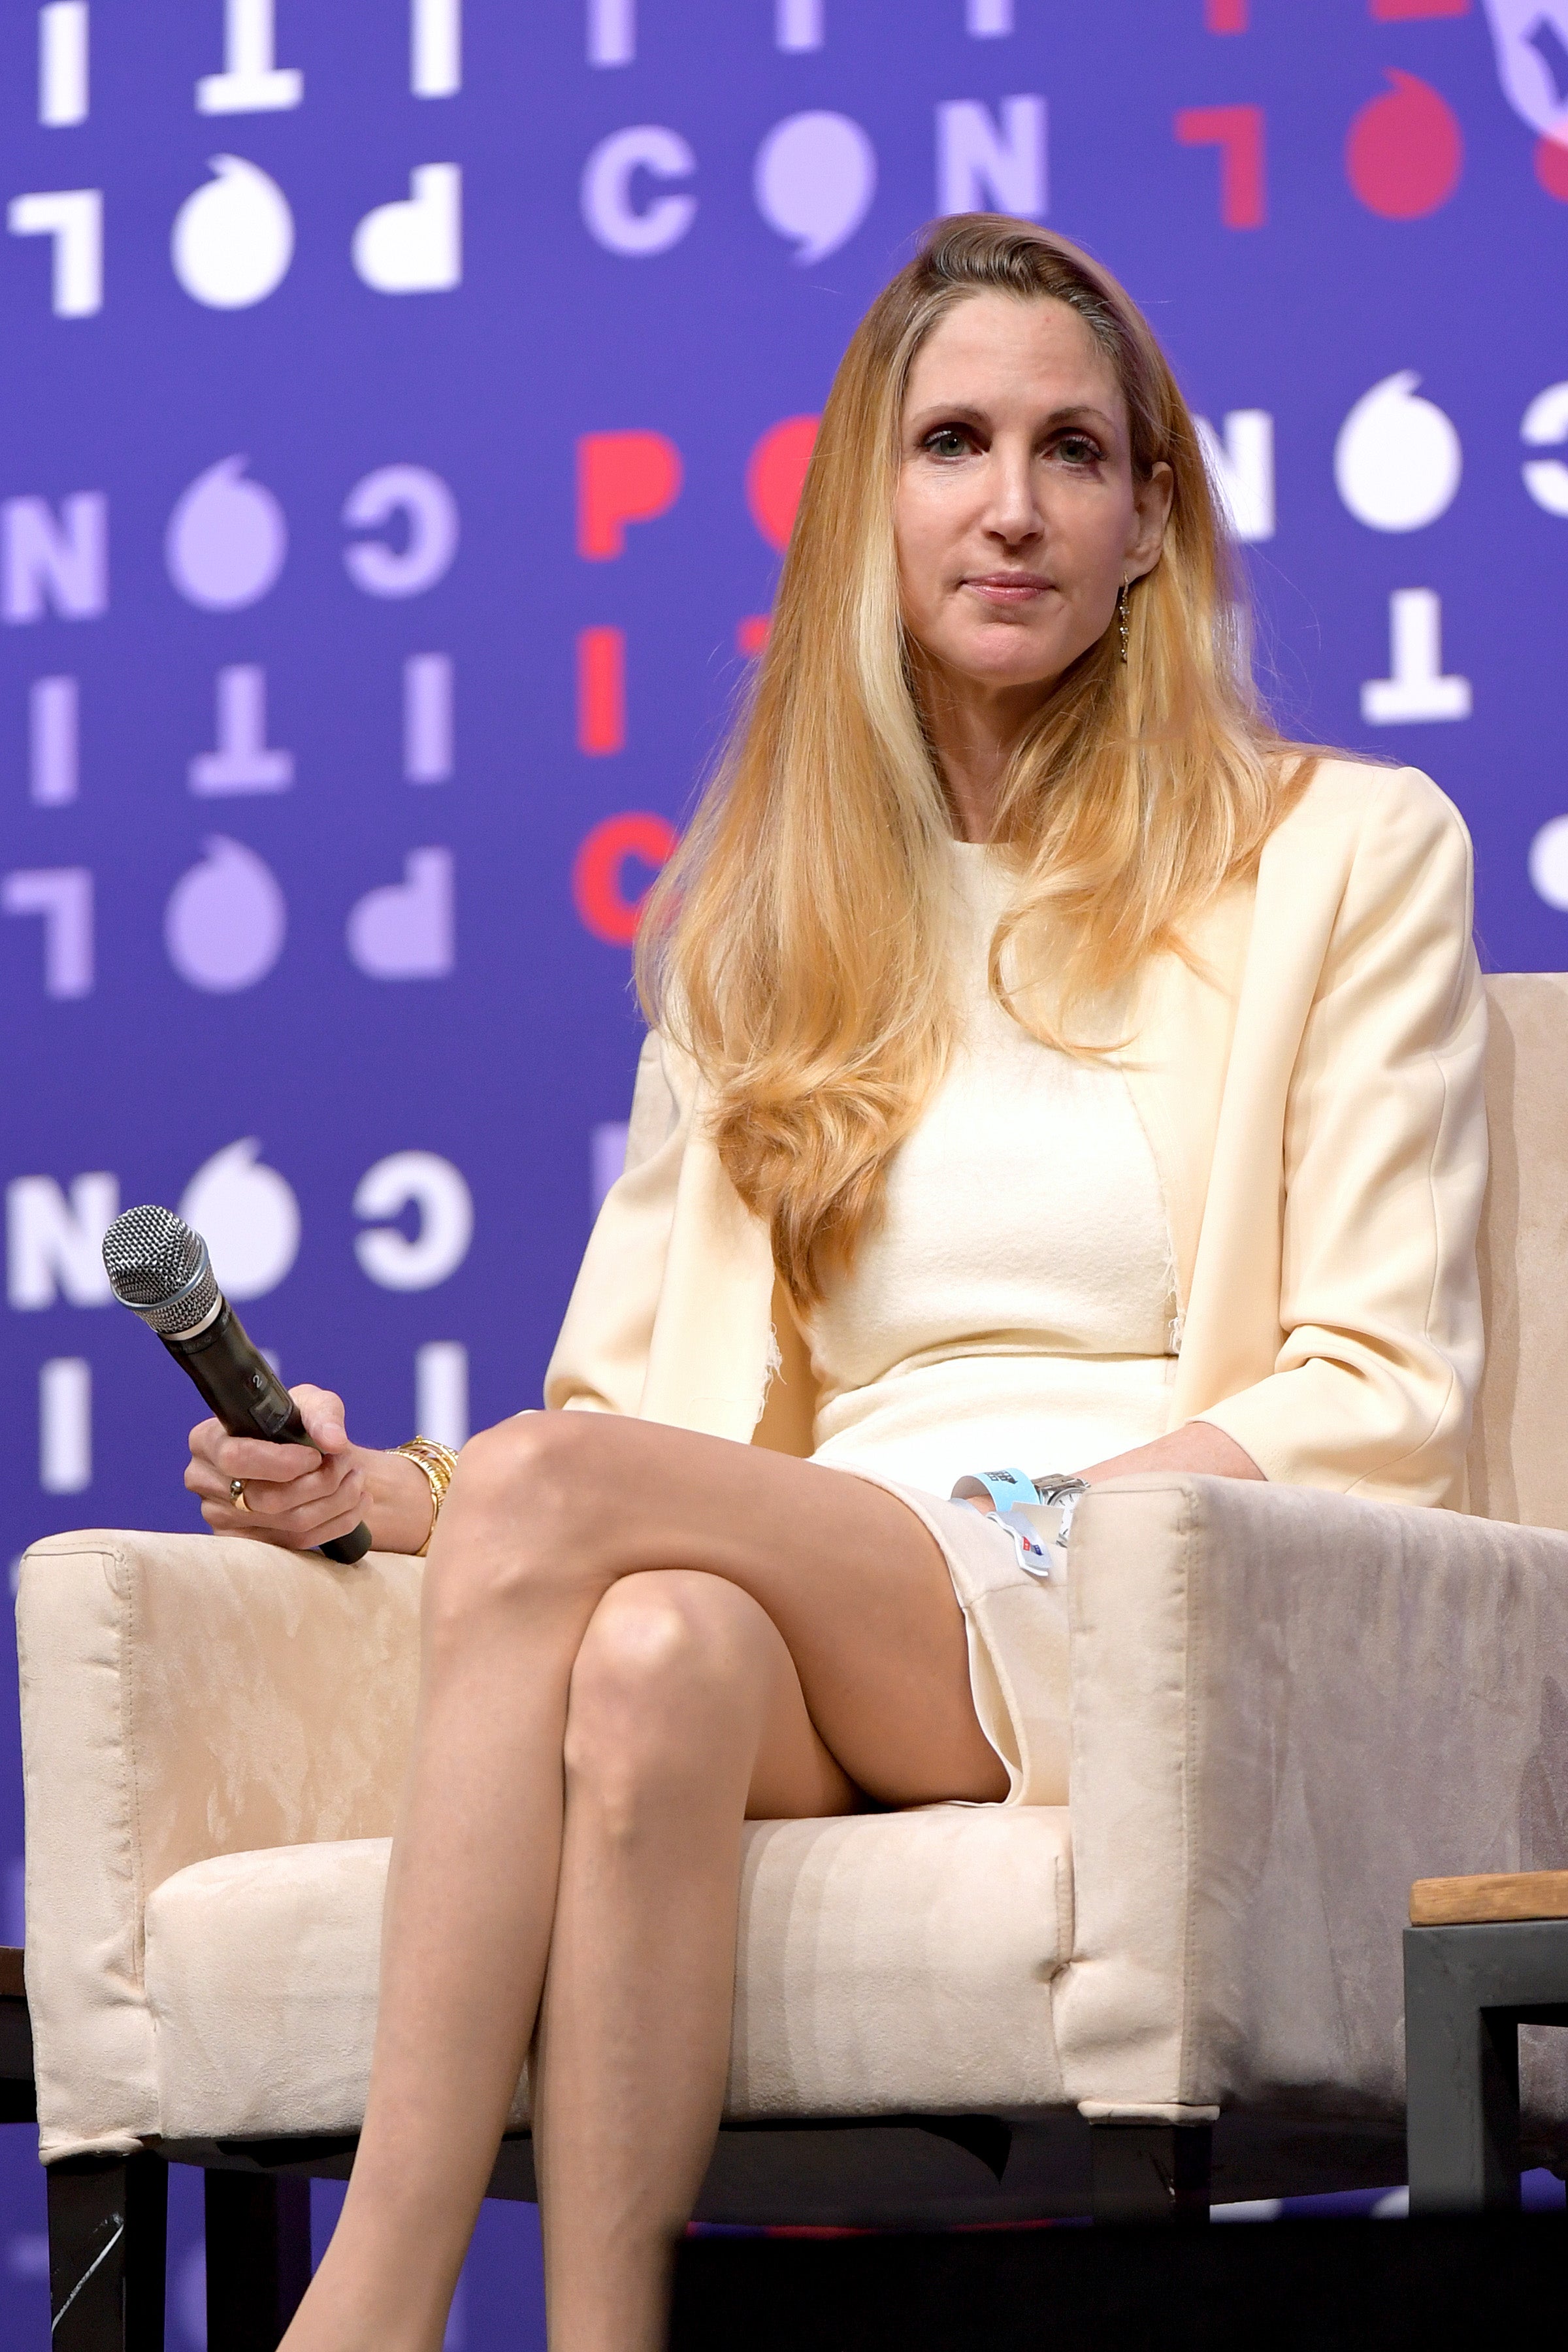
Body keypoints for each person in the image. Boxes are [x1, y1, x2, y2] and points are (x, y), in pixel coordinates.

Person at [184, 215, 1488, 2351]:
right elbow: (631, 1447)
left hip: (1129, 1588)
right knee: (658, 1652)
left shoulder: (1345, 847)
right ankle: (610, 2335)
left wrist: (1060, 1531)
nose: (1012, 503)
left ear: (1153, 524)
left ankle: (377, 2292)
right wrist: (373, 1498)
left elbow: (1381, 1376)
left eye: (1077, 452)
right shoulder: (764, 926)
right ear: (866, 507)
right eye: (953, 441)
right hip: (825, 1600)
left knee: (601, 1543)